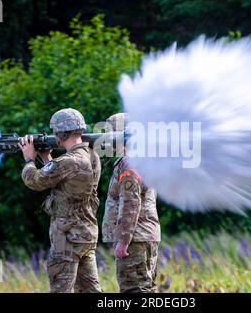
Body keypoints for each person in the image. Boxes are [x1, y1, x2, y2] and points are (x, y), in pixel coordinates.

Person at [18, 108, 102, 293]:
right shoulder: (92, 155)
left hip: (66, 238)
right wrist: (47, 158)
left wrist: (29, 159)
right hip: (85, 233)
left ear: (60, 133)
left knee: (60, 289)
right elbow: (64, 179)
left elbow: (35, 180)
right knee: (90, 290)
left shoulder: (68, 161)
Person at [102, 113, 161, 293]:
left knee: (134, 290)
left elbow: (130, 204)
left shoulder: (128, 165)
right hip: (145, 236)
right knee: (146, 288)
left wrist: (123, 240)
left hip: (135, 239)